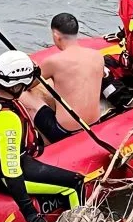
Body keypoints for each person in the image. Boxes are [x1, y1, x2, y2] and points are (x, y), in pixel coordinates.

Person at [0, 50, 84, 222]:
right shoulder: (7, 121)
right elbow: (12, 172)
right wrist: (31, 215)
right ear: (16, 86)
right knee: (76, 182)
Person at [20, 13, 104, 144]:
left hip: (64, 132)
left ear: (56, 36)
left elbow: (26, 85)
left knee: (22, 94)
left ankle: (40, 137)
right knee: (61, 85)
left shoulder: (54, 62)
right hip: (94, 124)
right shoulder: (97, 56)